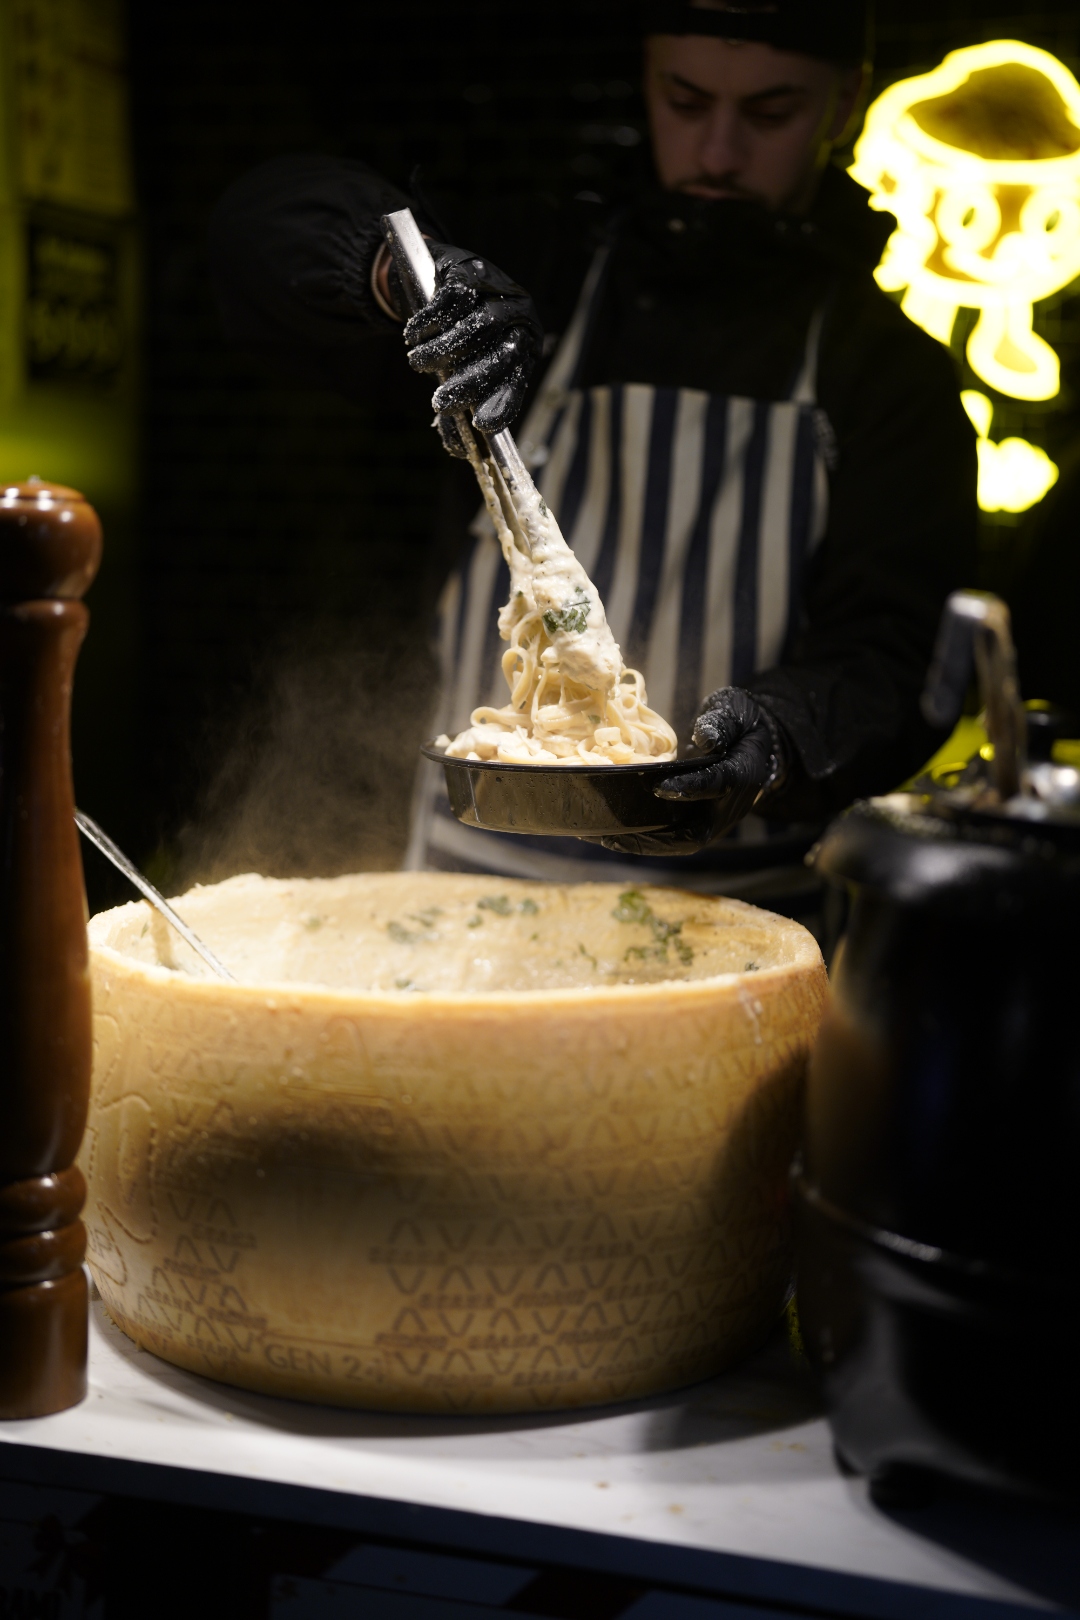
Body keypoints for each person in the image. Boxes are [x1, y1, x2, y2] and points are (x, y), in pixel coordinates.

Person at [208, 0, 977, 926]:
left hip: (737, 921)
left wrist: (776, 739)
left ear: (847, 102)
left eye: (770, 114)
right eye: (685, 101)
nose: (719, 152)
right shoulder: (551, 268)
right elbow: (254, 227)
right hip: (464, 900)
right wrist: (394, 274)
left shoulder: (887, 373)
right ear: (646, 74)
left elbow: (897, 660)